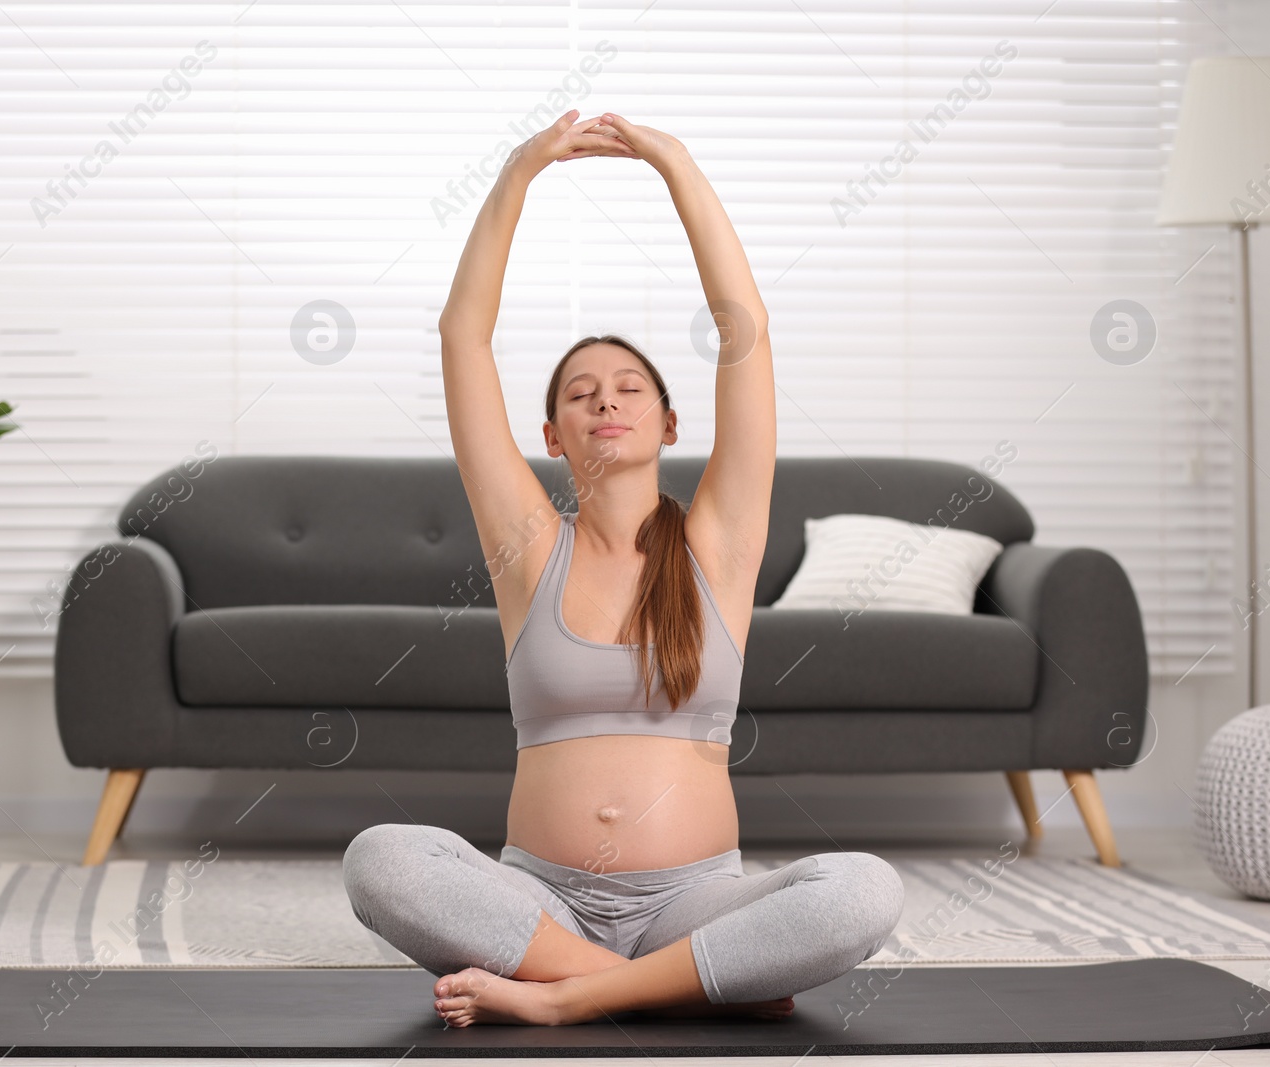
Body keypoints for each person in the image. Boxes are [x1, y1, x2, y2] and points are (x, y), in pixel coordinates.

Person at [342, 109, 904, 1027]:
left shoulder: (717, 546)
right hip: (542, 901)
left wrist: (674, 166)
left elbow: (745, 330)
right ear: (551, 435)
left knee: (862, 891)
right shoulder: (528, 549)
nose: (607, 399)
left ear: (670, 424)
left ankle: (568, 999)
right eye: (580, 392)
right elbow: (462, 338)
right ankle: (675, 984)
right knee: (381, 859)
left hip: (696, 900)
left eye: (630, 387)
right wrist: (519, 173)